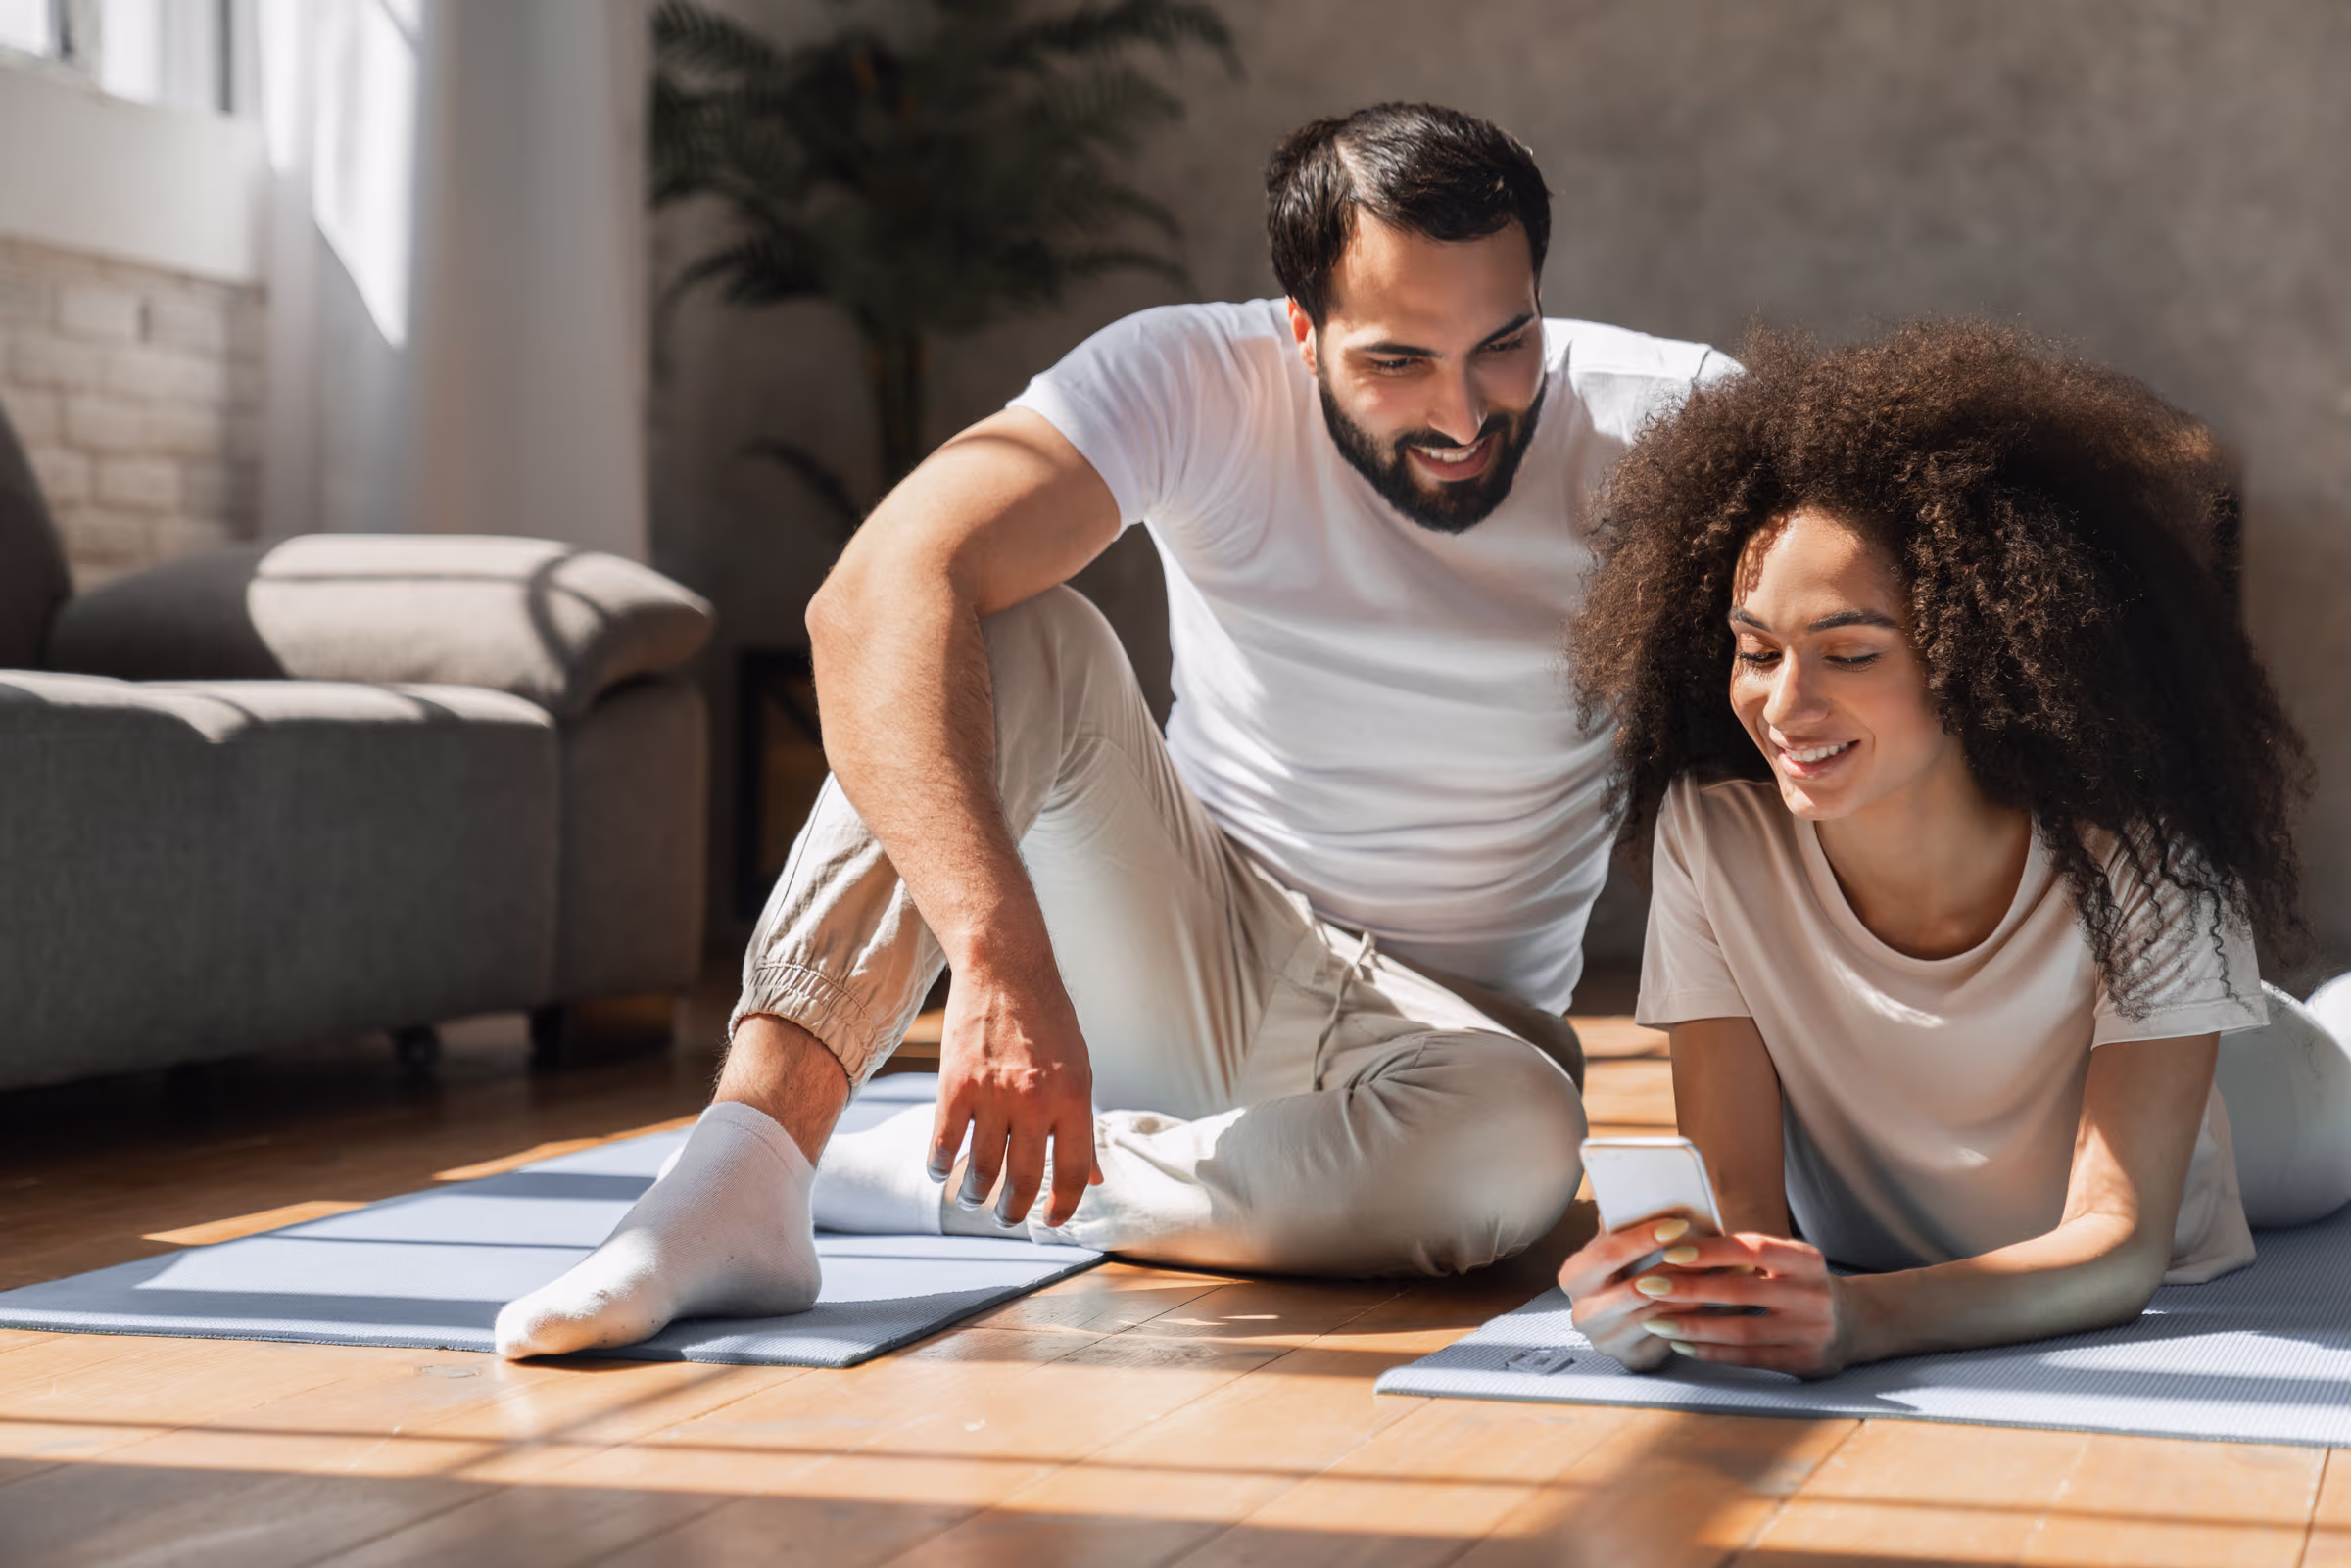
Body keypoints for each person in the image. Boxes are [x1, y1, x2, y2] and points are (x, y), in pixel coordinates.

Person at [493, 102, 1740, 1358]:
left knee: (1515, 1158)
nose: (1465, 415)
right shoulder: (1189, 375)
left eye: (1503, 341)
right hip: (1182, 941)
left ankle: (947, 1179)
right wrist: (997, 952)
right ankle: (745, 1170)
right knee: (1002, 626)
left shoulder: (1671, 421)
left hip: (1453, 1043)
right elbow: (869, 594)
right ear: (1300, 332)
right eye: (1397, 361)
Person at [1556, 321, 2351, 1379]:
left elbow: (2117, 1249)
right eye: (1757, 650)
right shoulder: (1716, 837)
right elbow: (1743, 1207)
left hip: (2263, 1108)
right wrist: (1680, 1289)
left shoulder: (2152, 861)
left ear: (1976, 656)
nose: (1785, 704)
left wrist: (1866, 1319)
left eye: (1849, 652)